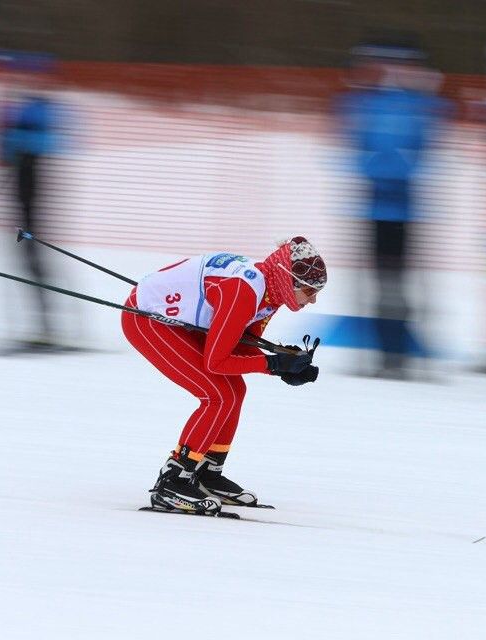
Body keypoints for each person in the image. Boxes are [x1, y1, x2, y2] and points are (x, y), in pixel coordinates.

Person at [122, 236, 327, 515]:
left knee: (234, 391)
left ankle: (207, 471)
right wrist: (274, 365)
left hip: (174, 319)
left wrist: (283, 363)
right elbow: (217, 361)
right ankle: (172, 481)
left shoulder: (271, 292)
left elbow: (241, 348)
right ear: (287, 280)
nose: (312, 299)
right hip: (146, 318)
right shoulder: (244, 291)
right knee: (217, 395)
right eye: (309, 290)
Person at [336, 36, 448, 378]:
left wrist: (387, 166)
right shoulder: (360, 102)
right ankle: (382, 354)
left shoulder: (421, 105)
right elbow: (350, 149)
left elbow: (427, 154)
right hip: (371, 208)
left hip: (406, 210)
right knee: (375, 282)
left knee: (400, 284)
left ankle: (401, 354)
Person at [0, 51, 64, 350]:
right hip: (19, 195)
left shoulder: (41, 108)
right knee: (24, 260)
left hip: (34, 194)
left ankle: (46, 328)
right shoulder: (16, 107)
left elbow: (52, 142)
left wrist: (14, 138)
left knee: (34, 258)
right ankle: (40, 326)